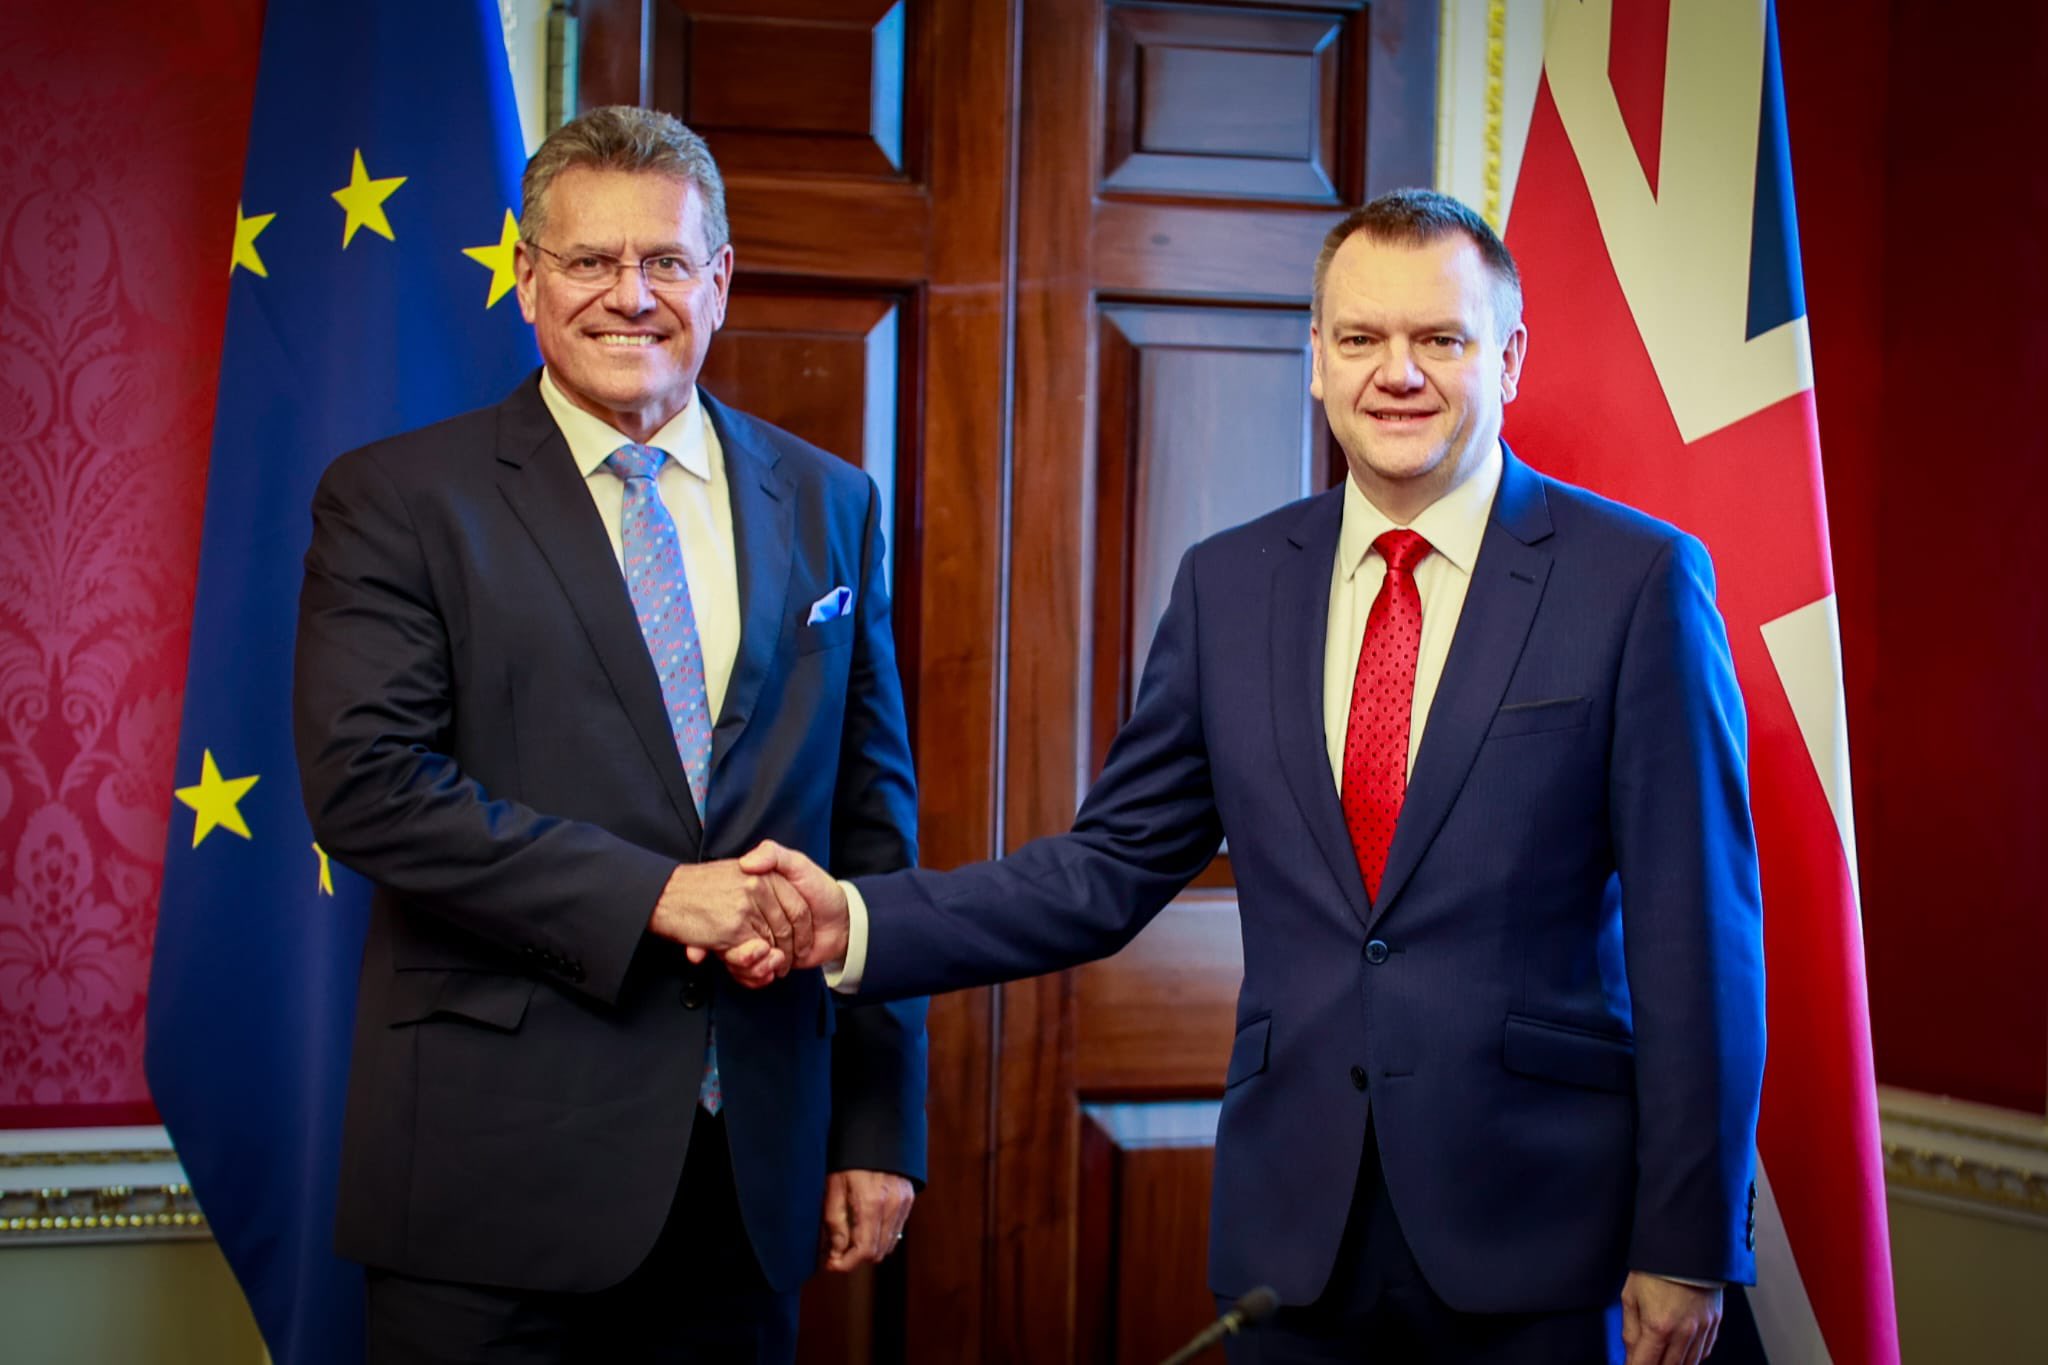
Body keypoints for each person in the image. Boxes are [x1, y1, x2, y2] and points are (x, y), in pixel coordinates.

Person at [741, 189, 1765, 1365]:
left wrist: (1687, 1240)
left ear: (1509, 358)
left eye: (1439, 339)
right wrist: (853, 919)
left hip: (1547, 1236)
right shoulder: (1230, 584)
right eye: (1359, 339)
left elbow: (1700, 940)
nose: (1396, 373)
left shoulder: (1633, 582)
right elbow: (1104, 867)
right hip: (1295, 1245)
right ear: (1314, 360)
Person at [293, 105, 925, 1364]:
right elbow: (369, 789)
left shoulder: (828, 501)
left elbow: (871, 825)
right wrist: (657, 898)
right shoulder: (399, 500)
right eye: (588, 262)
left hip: (748, 1176)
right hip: (490, 1188)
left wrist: (872, 1121)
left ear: (720, 281)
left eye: (665, 263)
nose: (629, 296)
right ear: (527, 282)